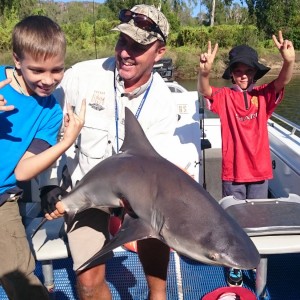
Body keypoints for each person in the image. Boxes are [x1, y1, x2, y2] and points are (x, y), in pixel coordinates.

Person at [41, 4, 177, 300]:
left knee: (158, 226)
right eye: (122, 42)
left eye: (138, 46)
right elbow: (48, 130)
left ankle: (159, 295)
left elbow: (160, 170)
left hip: (138, 196)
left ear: (160, 51)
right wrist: (49, 183)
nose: (126, 52)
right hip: (86, 191)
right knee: (88, 284)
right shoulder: (81, 77)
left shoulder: (164, 103)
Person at [198, 31, 295, 287]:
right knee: (234, 223)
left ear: (254, 73)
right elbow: (205, 89)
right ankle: (234, 267)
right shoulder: (225, 97)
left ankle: (257, 262)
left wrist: (288, 62)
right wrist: (204, 72)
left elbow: (282, 81)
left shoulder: (264, 95)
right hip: (233, 172)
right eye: (238, 70)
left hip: (260, 172)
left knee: (259, 223)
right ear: (231, 73)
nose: (243, 75)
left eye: (248, 70)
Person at [0, 15, 85, 300]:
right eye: (37, 70)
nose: (48, 80)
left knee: (25, 285)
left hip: (2, 202)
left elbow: (24, 172)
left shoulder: (50, 111)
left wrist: (67, 141)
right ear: (17, 59)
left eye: (57, 70)